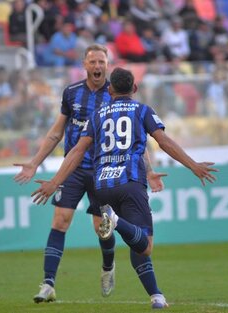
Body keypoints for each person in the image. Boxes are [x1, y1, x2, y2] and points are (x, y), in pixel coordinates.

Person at [31, 67, 218, 309]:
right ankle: (116, 222)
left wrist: (55, 182)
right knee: (145, 245)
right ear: (135, 89)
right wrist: (192, 165)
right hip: (130, 183)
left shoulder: (96, 115)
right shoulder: (142, 110)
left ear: (110, 90)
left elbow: (77, 151)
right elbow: (163, 141)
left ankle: (156, 296)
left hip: (102, 186)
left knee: (134, 240)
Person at [14, 44, 166, 304]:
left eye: (101, 62)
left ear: (107, 65)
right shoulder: (71, 93)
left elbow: (133, 139)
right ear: (84, 65)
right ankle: (48, 283)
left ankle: (108, 266)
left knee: (100, 228)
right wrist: (34, 162)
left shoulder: (115, 93)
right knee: (60, 221)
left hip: (105, 170)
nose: (97, 66)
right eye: (93, 61)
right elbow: (56, 132)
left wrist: (149, 171)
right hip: (73, 169)